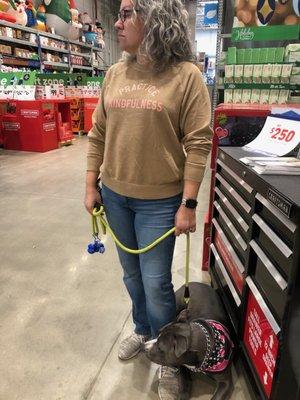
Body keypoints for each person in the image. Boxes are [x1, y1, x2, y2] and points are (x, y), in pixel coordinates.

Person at [84, 0, 212, 398]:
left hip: (160, 202)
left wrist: (189, 204)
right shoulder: (114, 74)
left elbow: (198, 142)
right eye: (119, 14)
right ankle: (142, 330)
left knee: (157, 282)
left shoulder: (186, 77)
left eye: (126, 14)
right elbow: (97, 134)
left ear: (153, 19)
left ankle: (169, 354)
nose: (117, 23)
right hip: (116, 196)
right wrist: (92, 184)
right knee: (131, 274)